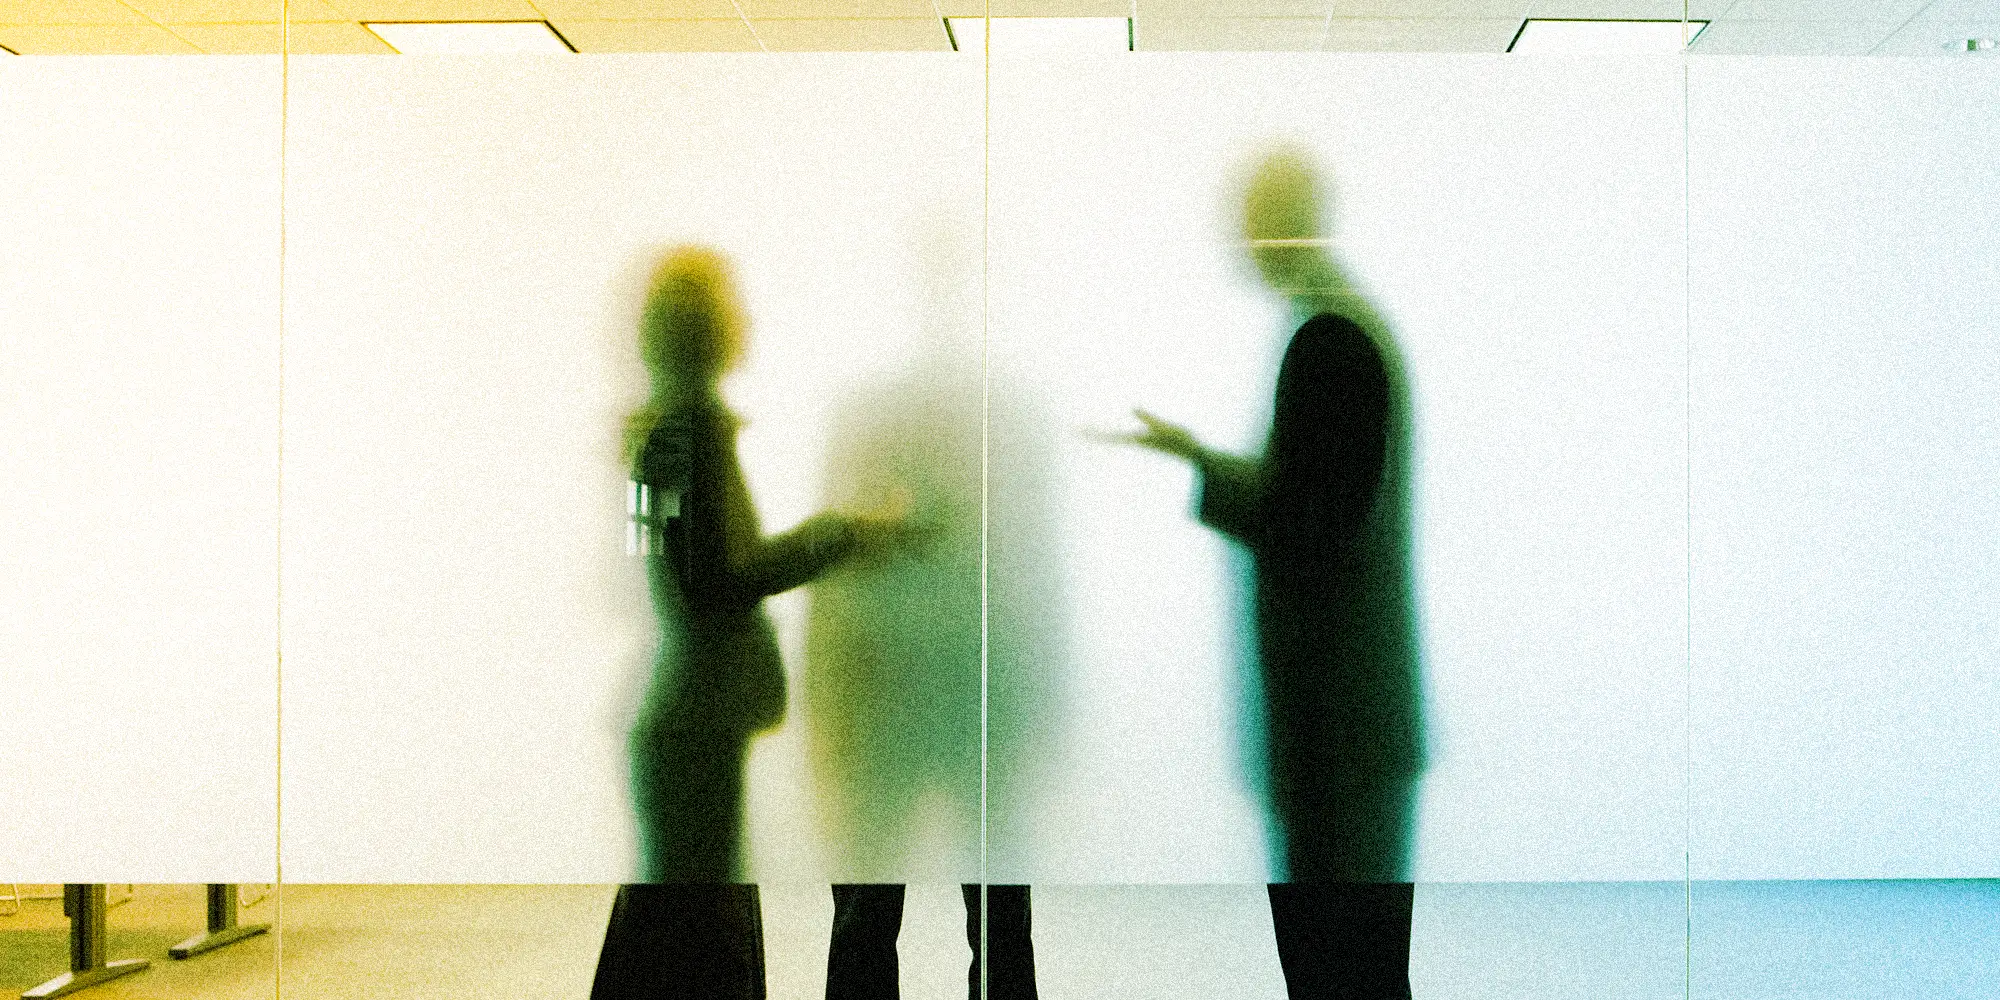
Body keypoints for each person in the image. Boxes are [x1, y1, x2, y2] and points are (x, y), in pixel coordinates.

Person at [1114, 149, 1425, 999]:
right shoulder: (1339, 325)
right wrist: (1206, 459)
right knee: (1356, 971)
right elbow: (1323, 498)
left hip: (1338, 734)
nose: (1239, 241)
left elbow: (1312, 525)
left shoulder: (1328, 334)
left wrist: (1206, 469)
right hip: (1351, 731)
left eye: (1249, 219)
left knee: (1339, 972)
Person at [591, 246, 910, 1000]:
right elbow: (715, 584)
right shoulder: (688, 430)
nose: (750, 319)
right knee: (699, 949)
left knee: (665, 940)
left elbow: (658, 572)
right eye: (735, 307)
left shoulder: (659, 431)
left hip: (679, 717)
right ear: (708, 328)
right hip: (695, 725)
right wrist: (837, 535)